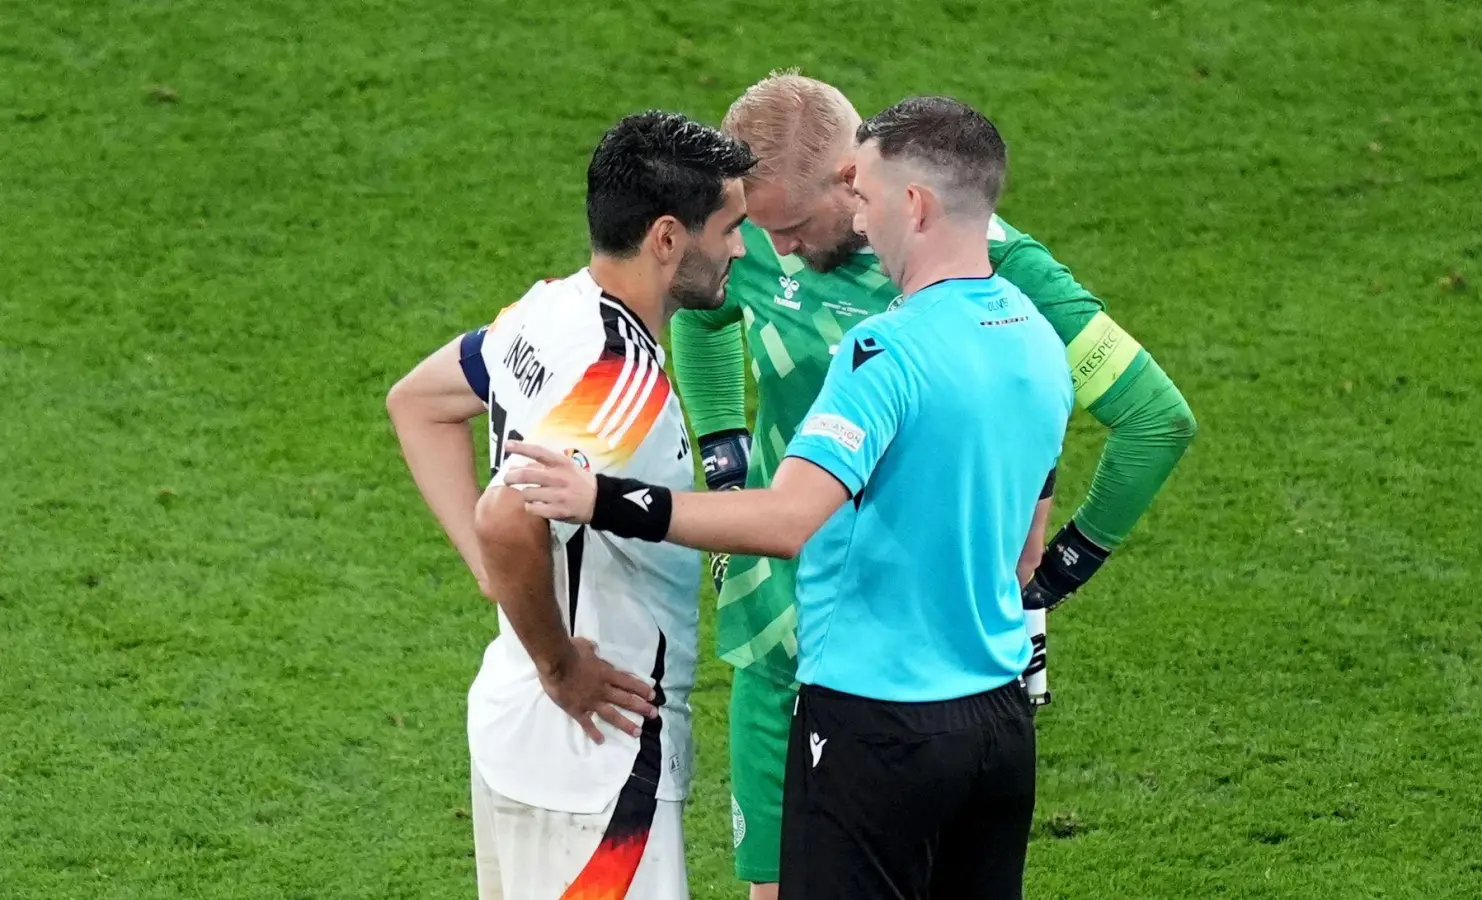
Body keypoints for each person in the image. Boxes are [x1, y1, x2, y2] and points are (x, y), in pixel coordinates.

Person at [504, 96, 1068, 900]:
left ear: (914, 205)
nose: (859, 223)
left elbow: (787, 518)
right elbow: (1026, 541)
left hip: (875, 725)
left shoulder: (884, 351)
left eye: (863, 197)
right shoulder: (1033, 335)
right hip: (997, 723)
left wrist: (604, 498)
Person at [668, 71, 1199, 898]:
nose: (770, 251)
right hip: (776, 630)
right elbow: (700, 310)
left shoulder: (993, 263)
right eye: (751, 228)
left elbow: (1153, 417)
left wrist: (1056, 573)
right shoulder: (749, 240)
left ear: (859, 181)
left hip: (904, 666)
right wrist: (728, 454)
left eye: (793, 226)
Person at [385, 110, 755, 900]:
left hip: (518, 732)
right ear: (666, 238)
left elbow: (417, 402)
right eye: (728, 228)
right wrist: (559, 666)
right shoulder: (619, 386)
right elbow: (503, 516)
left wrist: (498, 583)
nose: (740, 248)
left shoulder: (546, 311)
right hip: (596, 761)